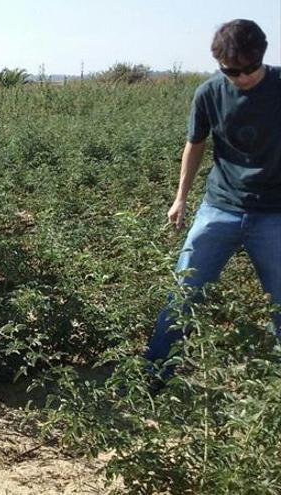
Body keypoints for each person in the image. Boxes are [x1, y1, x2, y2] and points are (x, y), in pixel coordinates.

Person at [144, 19, 281, 381]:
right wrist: (180, 198)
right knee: (184, 291)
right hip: (220, 207)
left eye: (250, 69)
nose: (243, 77)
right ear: (219, 63)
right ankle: (155, 376)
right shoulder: (208, 93)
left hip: (274, 213)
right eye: (232, 71)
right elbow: (196, 145)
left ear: (262, 56)